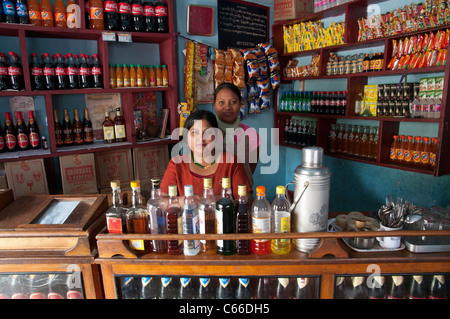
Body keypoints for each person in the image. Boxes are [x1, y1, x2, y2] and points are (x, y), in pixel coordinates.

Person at [160, 110, 252, 200]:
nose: (201, 138)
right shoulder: (177, 163)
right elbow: (161, 202)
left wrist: (221, 204)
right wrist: (186, 201)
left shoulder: (231, 161)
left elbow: (248, 199)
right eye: (195, 132)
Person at [213, 82, 260, 188]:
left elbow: (249, 171)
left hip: (242, 194)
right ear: (214, 105)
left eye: (233, 102)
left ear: (240, 104)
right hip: (212, 195)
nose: (227, 107)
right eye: (221, 102)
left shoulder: (250, 135)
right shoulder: (206, 134)